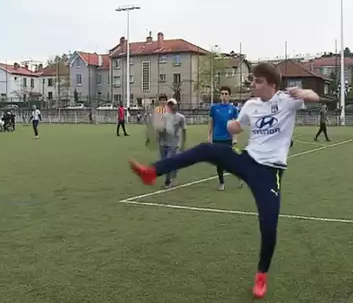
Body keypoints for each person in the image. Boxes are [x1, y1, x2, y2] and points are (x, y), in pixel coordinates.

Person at [129, 62, 320, 299]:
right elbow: (238, 126)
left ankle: (262, 274)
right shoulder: (250, 104)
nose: (252, 84)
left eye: (258, 81)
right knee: (207, 149)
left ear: (271, 84)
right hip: (247, 161)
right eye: (252, 79)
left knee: (269, 225)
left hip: (269, 173)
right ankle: (152, 172)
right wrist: (233, 126)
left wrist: (302, 93)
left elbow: (315, 96)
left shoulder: (286, 101)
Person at [209, 86, 242, 190]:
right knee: (219, 162)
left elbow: (236, 124)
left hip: (228, 139)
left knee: (229, 162)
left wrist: (235, 138)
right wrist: (209, 136)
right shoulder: (214, 108)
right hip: (216, 138)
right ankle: (221, 183)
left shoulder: (233, 109)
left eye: (226, 94)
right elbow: (211, 122)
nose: (224, 96)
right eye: (222, 94)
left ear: (229, 96)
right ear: (220, 95)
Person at [158, 98, 187, 189]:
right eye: (169, 104)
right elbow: (159, 130)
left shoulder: (180, 117)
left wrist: (183, 144)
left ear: (176, 105)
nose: (171, 106)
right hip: (163, 144)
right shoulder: (164, 116)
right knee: (164, 162)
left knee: (168, 161)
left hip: (174, 144)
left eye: (172, 104)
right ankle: (172, 175)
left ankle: (168, 181)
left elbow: (184, 130)